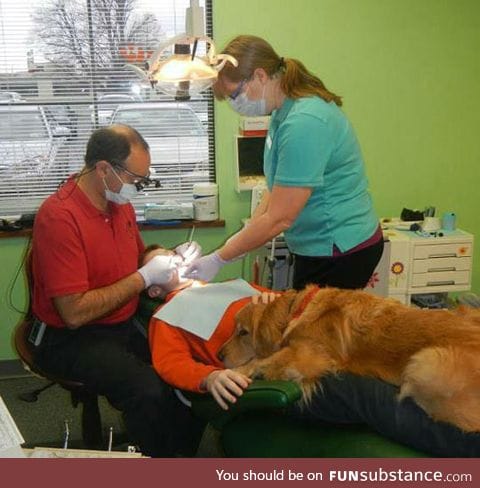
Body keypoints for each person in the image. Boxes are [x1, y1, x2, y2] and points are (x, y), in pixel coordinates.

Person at [146, 275, 480, 457]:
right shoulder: (166, 317)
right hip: (265, 379)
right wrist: (209, 377)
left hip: (301, 354)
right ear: (156, 287)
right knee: (368, 395)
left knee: (379, 386)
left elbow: (294, 311)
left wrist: (274, 303)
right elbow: (169, 364)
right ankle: (466, 445)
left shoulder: (233, 286)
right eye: (162, 263)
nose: (176, 262)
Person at [29, 124, 201, 457]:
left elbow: (136, 258)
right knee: (148, 390)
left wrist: (163, 259)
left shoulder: (119, 203)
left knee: (190, 365)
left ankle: (181, 458)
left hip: (122, 321)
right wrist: (142, 278)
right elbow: (74, 312)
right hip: (71, 336)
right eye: (137, 179)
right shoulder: (60, 217)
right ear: (104, 169)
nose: (138, 186)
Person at [185, 35, 383, 290]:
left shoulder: (305, 121)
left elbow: (280, 219)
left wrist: (220, 257)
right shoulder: (282, 112)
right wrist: (243, 240)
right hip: (317, 243)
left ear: (260, 76)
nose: (234, 105)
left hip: (339, 248)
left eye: (235, 94)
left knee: (313, 328)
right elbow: (277, 186)